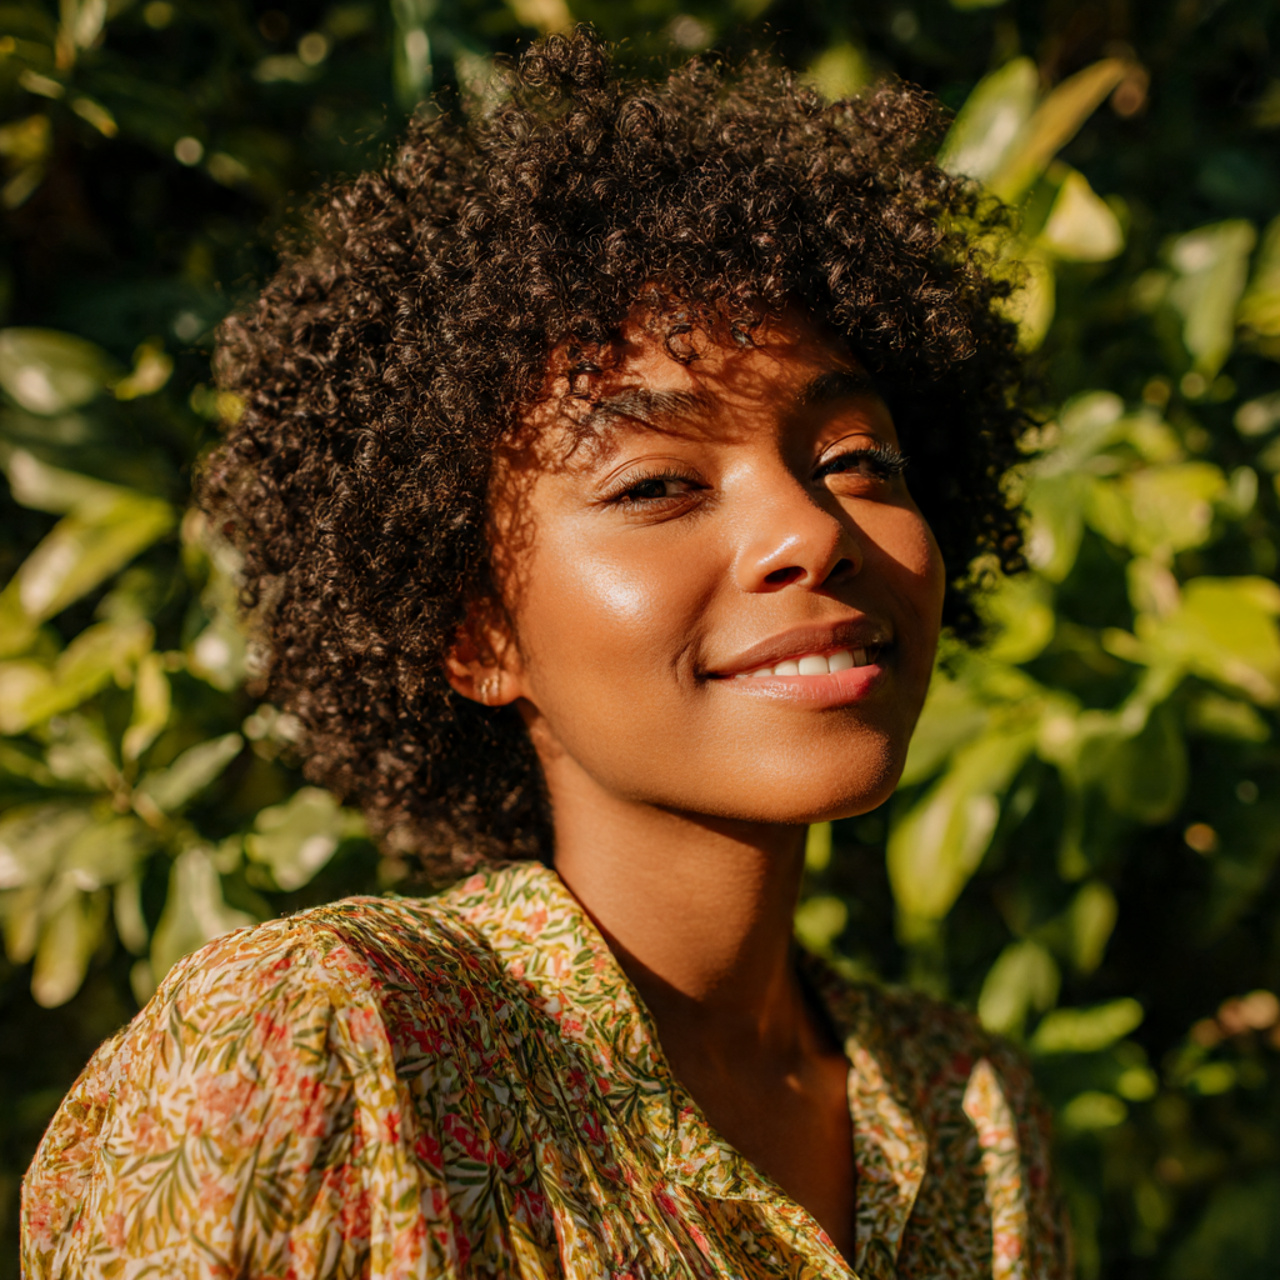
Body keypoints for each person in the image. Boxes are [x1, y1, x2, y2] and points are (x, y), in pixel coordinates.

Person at [22, 27, 1069, 1279]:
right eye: (655, 484)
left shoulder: (971, 1112)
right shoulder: (328, 1039)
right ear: (475, 632)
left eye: (856, 460)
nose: (809, 531)